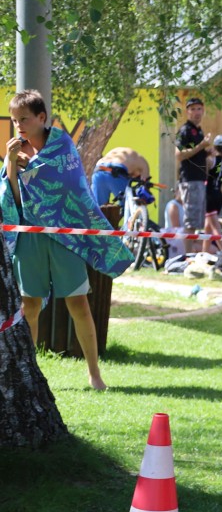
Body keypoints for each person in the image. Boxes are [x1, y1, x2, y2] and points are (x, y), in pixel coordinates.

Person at [1, 90, 133, 390]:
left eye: (24, 119)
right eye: (14, 120)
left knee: (78, 303)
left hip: (66, 238)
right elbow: (13, 199)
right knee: (30, 306)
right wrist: (10, 163)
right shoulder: (15, 152)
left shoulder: (62, 144)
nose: (18, 125)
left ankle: (95, 374)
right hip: (31, 237)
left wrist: (31, 168)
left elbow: (68, 185)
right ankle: (31, 378)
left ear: (42, 118)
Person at [175, 96, 212, 254]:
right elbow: (179, 155)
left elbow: (195, 154)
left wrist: (206, 152)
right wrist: (201, 146)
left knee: (197, 222)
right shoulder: (184, 130)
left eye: (199, 109)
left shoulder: (199, 130)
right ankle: (187, 257)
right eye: (193, 109)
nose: (196, 112)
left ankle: (192, 255)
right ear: (187, 112)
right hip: (190, 180)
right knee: (190, 222)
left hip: (199, 179)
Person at [203, 135, 222, 255]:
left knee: (215, 228)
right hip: (219, 195)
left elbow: (203, 176)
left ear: (214, 147)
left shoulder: (210, 160)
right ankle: (204, 253)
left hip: (209, 195)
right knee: (208, 227)